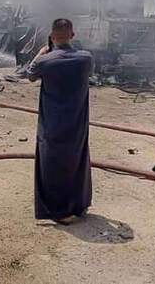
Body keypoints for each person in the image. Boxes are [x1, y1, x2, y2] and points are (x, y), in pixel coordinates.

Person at [26, 18, 93, 224]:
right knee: (78, 162)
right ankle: (79, 206)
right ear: (72, 35)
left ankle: (58, 211)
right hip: (77, 124)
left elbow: (30, 75)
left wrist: (41, 53)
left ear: (52, 36)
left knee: (51, 166)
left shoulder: (45, 61)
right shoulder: (86, 58)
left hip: (52, 125)